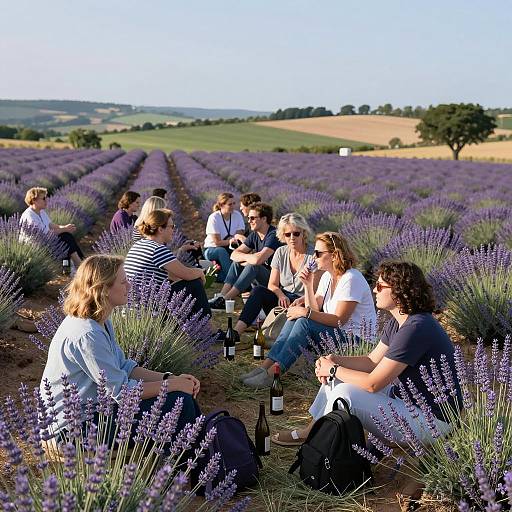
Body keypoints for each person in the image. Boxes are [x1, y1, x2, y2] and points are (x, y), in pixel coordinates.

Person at [272, 261, 462, 449]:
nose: (374, 290)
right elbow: (372, 361)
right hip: (408, 403)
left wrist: (333, 369)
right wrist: (334, 360)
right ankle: (311, 433)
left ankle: (318, 446)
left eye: (380, 286)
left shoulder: (416, 327)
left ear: (399, 291)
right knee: (337, 381)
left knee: (344, 393)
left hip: (432, 422)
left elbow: (373, 384)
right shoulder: (398, 321)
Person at [40, 254, 200, 442]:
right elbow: (123, 394)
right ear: (104, 289)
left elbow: (125, 367)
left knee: (178, 399)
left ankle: (192, 456)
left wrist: (169, 378)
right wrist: (172, 385)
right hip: (72, 429)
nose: (130, 287)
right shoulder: (87, 334)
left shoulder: (100, 321)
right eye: (123, 282)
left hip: (96, 411)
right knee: (178, 403)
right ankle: (186, 463)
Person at [241, 232, 376, 388]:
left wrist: (305, 312)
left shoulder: (351, 278)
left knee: (303, 322)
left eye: (318, 253)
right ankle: (264, 368)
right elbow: (314, 309)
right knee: (297, 319)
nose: (314, 257)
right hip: (337, 335)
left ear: (334, 255)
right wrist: (307, 285)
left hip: (357, 341)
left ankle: (272, 375)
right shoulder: (327, 276)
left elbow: (339, 320)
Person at [234, 213, 319, 337]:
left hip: (305, 302)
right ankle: (235, 332)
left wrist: (301, 300)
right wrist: (281, 296)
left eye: (296, 233)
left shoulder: (313, 255)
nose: (292, 238)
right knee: (258, 291)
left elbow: (316, 291)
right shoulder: (280, 252)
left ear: (303, 233)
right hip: (283, 301)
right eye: (287, 234)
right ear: (283, 235)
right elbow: (272, 285)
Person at [124, 209, 211, 318]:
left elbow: (173, 276)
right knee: (195, 284)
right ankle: (206, 328)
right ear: (160, 229)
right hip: (147, 310)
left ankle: (198, 326)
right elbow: (187, 274)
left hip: (131, 307)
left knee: (187, 288)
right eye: (171, 226)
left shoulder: (139, 244)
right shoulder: (157, 249)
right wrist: (200, 273)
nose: (173, 230)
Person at [209, 202, 283, 310]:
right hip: (262, 276)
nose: (249, 221)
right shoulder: (255, 235)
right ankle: (222, 296)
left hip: (275, 282)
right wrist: (251, 258)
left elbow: (258, 260)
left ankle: (226, 300)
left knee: (254, 266)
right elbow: (234, 254)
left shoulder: (273, 235)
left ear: (264, 219)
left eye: (253, 218)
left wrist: (252, 258)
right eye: (249, 218)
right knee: (238, 263)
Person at [20, 187, 84, 268]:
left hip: (45, 240)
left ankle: (70, 267)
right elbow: (46, 234)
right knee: (65, 239)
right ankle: (80, 264)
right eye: (43, 198)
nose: (46, 200)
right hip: (35, 246)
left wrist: (64, 227)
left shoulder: (41, 211)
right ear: (34, 200)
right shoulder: (29, 216)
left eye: (46, 198)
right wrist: (64, 229)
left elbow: (51, 225)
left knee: (66, 238)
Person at [133, 196, 202, 261]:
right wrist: (182, 249)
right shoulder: (144, 232)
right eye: (164, 210)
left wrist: (184, 246)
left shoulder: (143, 228)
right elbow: (161, 258)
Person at [203, 193, 246, 282]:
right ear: (221, 205)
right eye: (230, 204)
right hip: (212, 249)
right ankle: (233, 280)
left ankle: (223, 277)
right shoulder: (214, 217)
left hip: (229, 246)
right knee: (221, 251)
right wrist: (231, 240)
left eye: (234, 203)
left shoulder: (237, 215)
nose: (233, 206)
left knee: (241, 251)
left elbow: (239, 236)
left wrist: (232, 241)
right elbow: (217, 242)